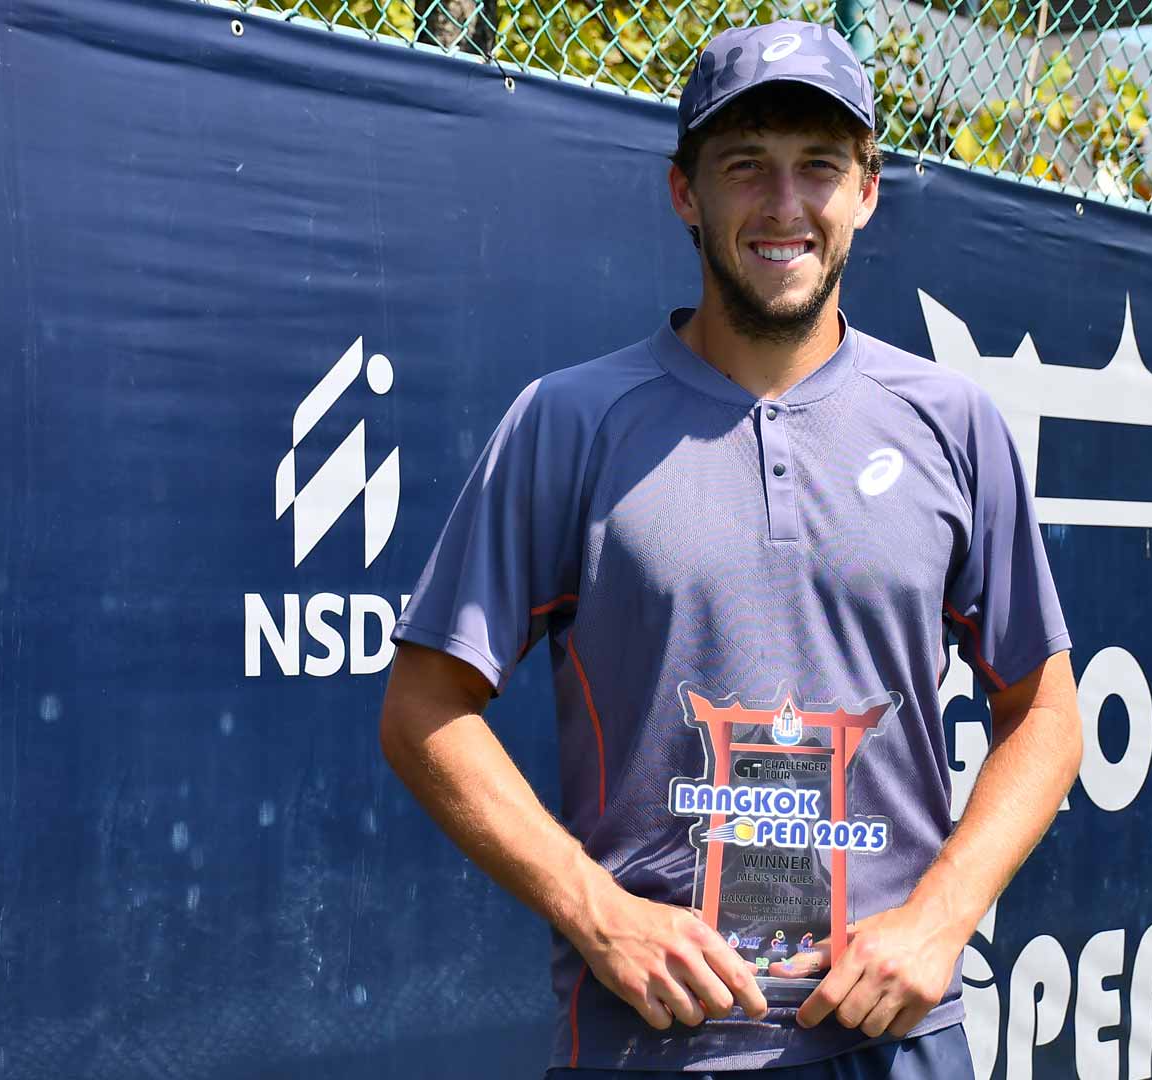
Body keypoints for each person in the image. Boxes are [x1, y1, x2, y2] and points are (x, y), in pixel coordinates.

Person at [380, 18, 1080, 1077]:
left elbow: (1046, 713)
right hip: (652, 1045)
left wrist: (943, 917)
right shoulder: (569, 422)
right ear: (683, 193)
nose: (784, 206)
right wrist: (599, 911)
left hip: (895, 1044)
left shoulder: (952, 422)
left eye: (819, 168)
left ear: (868, 191)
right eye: (745, 167)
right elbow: (424, 707)